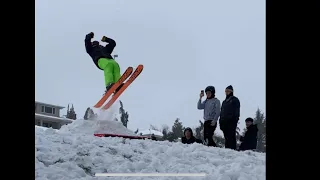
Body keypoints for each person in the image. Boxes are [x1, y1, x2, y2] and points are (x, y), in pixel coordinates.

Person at [219, 85, 240, 150]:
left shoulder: (235, 100)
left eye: (228, 91)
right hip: (224, 122)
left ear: (231, 91)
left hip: (231, 122)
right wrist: (220, 121)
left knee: (231, 137)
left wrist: (234, 120)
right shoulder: (224, 102)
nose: (226, 92)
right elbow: (221, 112)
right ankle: (227, 151)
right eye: (226, 91)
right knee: (226, 138)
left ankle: (233, 151)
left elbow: (236, 111)